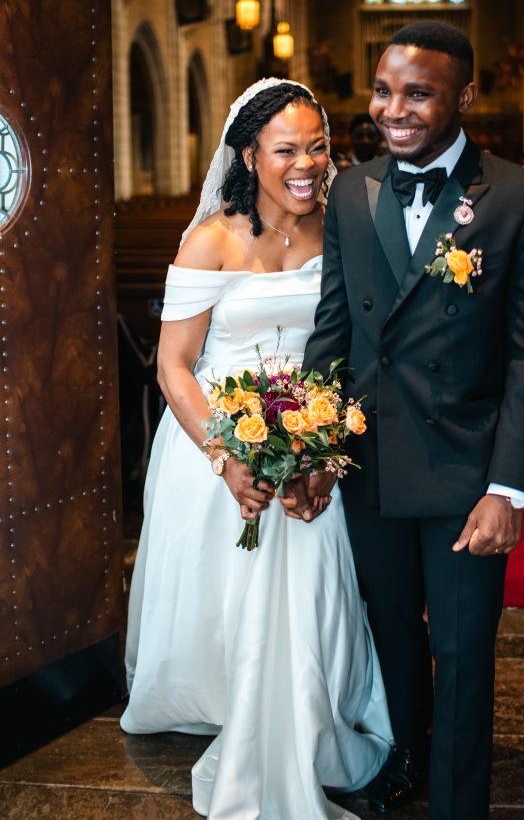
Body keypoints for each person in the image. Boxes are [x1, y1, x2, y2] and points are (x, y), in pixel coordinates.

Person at [302, 22, 524, 819]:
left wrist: (508, 490)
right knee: (393, 634)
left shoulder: (519, 197)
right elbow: (333, 327)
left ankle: (458, 802)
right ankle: (405, 762)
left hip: (463, 471)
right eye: (384, 91)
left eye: (418, 93)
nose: (395, 109)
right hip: (369, 463)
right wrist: (314, 446)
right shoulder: (352, 189)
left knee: (463, 649)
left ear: (465, 98)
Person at [121, 78, 392, 819]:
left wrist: (326, 452)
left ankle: (302, 716)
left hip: (310, 441)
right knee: (224, 599)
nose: (306, 163)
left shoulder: (342, 227)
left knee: (307, 585)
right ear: (250, 154)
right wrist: (228, 458)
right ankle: (222, 697)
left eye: (318, 146)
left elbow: (360, 349)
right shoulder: (213, 238)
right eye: (286, 149)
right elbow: (174, 364)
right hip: (216, 436)